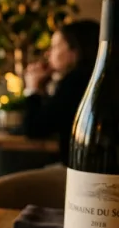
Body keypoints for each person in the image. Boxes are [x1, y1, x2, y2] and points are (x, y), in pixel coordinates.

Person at [24, 20, 100, 165]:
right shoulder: (95, 76)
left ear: (75, 50)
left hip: (78, 170)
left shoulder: (76, 81)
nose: (48, 53)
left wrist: (32, 89)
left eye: (55, 46)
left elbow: (35, 129)